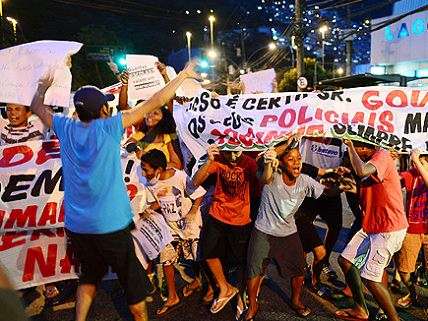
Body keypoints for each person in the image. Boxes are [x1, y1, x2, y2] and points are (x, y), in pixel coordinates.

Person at [29, 61, 199, 321]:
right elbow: (155, 101)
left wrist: (41, 87)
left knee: (88, 279)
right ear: (104, 110)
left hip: (78, 226)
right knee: (133, 288)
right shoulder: (108, 128)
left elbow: (37, 107)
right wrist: (183, 74)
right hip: (110, 226)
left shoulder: (65, 127)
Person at [245, 139, 353, 321]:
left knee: (299, 271)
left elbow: (326, 192)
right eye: (291, 159)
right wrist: (282, 147)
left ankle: (296, 301)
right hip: (263, 231)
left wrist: (344, 185)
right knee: (254, 270)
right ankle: (253, 305)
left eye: (299, 158)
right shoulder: (272, 174)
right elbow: (264, 176)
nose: (297, 163)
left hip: (288, 232)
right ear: (280, 162)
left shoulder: (304, 180)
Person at [335, 140, 408, 321]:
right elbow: (364, 185)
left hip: (389, 228)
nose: (353, 152)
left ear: (365, 147)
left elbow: (362, 171)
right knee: (345, 261)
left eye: (357, 147)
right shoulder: (370, 160)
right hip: (371, 227)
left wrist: (350, 146)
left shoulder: (381, 155)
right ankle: (360, 309)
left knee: (371, 278)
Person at [192, 145, 259, 314]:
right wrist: (209, 160)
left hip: (241, 219)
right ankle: (224, 288)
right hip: (217, 214)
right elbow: (195, 182)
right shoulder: (219, 159)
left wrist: (269, 166)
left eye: (237, 152)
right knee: (208, 252)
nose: (233, 157)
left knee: (240, 262)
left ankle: (240, 295)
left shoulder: (250, 163)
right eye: (229, 152)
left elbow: (262, 184)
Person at [140, 149, 205, 316]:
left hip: (189, 223)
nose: (143, 173)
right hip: (169, 227)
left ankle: (199, 280)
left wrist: (193, 211)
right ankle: (172, 296)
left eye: (146, 169)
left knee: (196, 256)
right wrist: (148, 209)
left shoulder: (180, 176)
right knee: (167, 258)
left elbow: (198, 194)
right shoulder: (150, 184)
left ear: (158, 170)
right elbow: (156, 203)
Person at [295, 137, 348, 289]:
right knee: (305, 232)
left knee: (336, 227)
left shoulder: (340, 140)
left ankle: (322, 263)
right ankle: (302, 268)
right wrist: (318, 172)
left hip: (331, 192)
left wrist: (339, 181)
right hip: (308, 190)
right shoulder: (307, 135)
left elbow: (346, 162)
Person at [395, 149, 428, 308]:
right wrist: (389, 160)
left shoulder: (420, 170)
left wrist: (417, 162)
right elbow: (392, 182)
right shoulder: (413, 173)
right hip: (412, 229)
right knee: (403, 269)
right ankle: (412, 293)